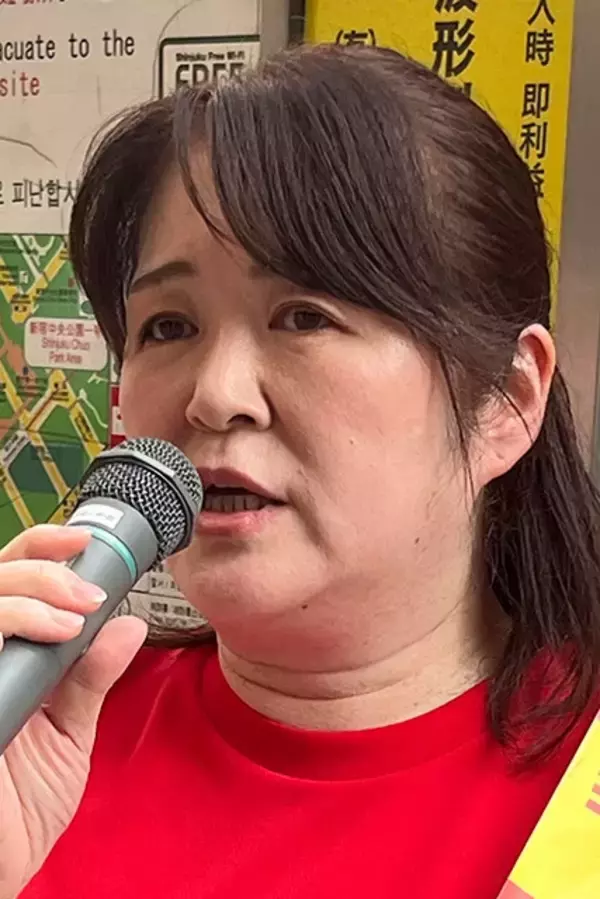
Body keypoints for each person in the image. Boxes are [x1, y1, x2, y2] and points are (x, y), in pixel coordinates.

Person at [1, 43, 599, 899]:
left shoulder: (580, 806)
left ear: (505, 400)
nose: (215, 395)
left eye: (304, 316)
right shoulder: (44, 733)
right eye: (168, 326)